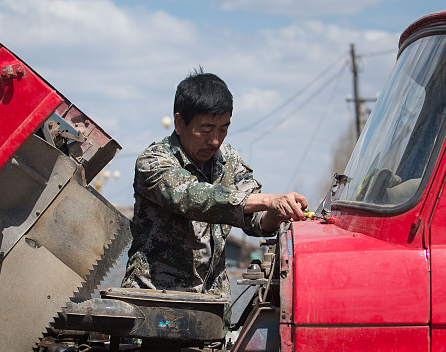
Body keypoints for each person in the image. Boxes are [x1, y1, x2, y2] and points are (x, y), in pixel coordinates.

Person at [121, 70, 308, 299]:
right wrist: (268, 200)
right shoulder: (154, 161)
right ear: (179, 123)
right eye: (206, 129)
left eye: (224, 128)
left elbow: (256, 219)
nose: (215, 140)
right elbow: (193, 197)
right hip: (154, 301)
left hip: (210, 304)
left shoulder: (228, 160)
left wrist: (276, 212)